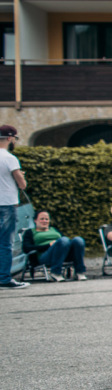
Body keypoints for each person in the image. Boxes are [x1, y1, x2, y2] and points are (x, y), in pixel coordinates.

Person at [0, 124, 28, 289]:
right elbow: (22, 184)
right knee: (5, 243)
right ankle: (4, 278)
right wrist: (21, 177)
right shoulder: (9, 158)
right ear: (10, 138)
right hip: (7, 204)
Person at [23, 210, 88, 281]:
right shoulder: (31, 232)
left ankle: (80, 272)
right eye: (42, 219)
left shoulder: (54, 229)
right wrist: (49, 245)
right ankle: (55, 272)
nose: (44, 221)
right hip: (45, 255)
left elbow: (66, 242)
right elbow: (26, 248)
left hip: (63, 253)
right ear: (35, 220)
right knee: (63, 240)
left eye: (47, 219)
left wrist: (59, 244)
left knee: (78, 240)